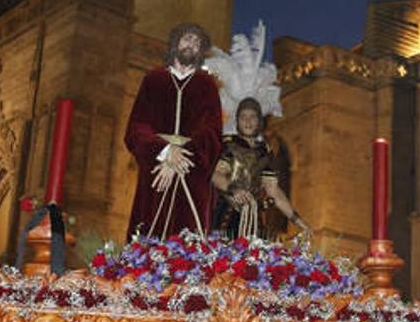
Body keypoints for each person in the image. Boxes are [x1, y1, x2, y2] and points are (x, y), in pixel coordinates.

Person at [124, 22, 223, 239]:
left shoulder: (207, 85)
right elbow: (136, 128)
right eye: (187, 38)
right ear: (175, 43)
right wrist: (165, 152)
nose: (191, 45)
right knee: (149, 235)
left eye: (197, 43)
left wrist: (180, 157)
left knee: (187, 241)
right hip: (156, 171)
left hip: (191, 170)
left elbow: (212, 132)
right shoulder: (153, 80)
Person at [210, 97, 307, 240]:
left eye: (252, 117)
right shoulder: (228, 145)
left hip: (253, 217)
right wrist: (234, 189)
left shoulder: (264, 152)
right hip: (227, 214)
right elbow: (216, 175)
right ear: (237, 121)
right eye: (243, 117)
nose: (248, 122)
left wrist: (296, 219)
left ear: (259, 121)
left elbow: (273, 190)